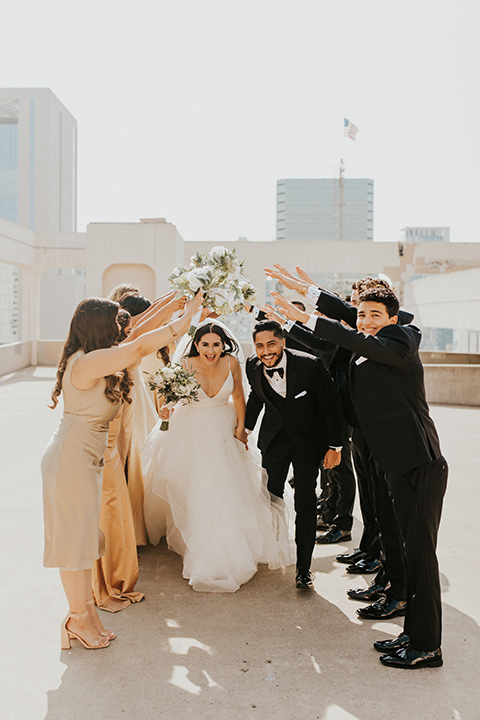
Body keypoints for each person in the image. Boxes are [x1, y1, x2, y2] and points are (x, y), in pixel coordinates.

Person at [272, 283, 448, 669]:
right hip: (396, 464)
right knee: (406, 547)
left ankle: (427, 646)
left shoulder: (401, 340)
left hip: (418, 463)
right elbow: (351, 329)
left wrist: (307, 316)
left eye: (374, 315)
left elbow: (352, 332)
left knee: (421, 559)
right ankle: (413, 634)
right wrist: (303, 305)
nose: (365, 320)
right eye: (361, 314)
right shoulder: (370, 342)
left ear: (393, 320)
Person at [41, 292, 202, 650]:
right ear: (99, 326)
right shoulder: (85, 364)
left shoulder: (98, 357)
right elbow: (136, 347)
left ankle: (82, 614)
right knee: (73, 544)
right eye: (116, 321)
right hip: (71, 460)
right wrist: (184, 320)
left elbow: (136, 336)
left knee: (84, 543)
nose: (123, 327)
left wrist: (176, 305)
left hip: (85, 459)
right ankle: (77, 619)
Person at [143, 321, 295, 592]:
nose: (211, 351)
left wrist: (240, 429)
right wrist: (166, 410)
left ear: (224, 344)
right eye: (205, 345)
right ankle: (201, 550)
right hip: (192, 431)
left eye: (216, 344)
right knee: (198, 490)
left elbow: (238, 397)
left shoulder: (232, 362)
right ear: (196, 345)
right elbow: (172, 399)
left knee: (226, 488)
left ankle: (230, 548)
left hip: (223, 431)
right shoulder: (186, 365)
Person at [244, 320, 345, 590]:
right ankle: (272, 550)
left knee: (305, 502)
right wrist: (245, 428)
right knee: (270, 497)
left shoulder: (310, 366)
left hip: (308, 443)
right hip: (274, 442)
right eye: (260, 345)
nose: (266, 351)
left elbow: (333, 406)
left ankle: (303, 568)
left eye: (271, 344)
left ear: (283, 342)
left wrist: (335, 447)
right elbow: (256, 395)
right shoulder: (252, 365)